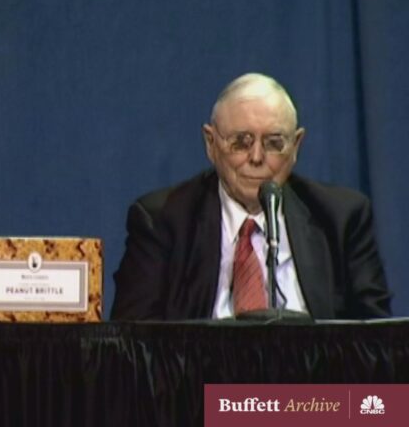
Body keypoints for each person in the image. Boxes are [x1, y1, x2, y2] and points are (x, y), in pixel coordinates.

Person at [111, 72, 391, 320]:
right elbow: (134, 343)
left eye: (274, 143)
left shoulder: (341, 218)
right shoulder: (162, 221)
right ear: (211, 143)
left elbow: (378, 343)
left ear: (296, 146)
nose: (256, 157)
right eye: (241, 142)